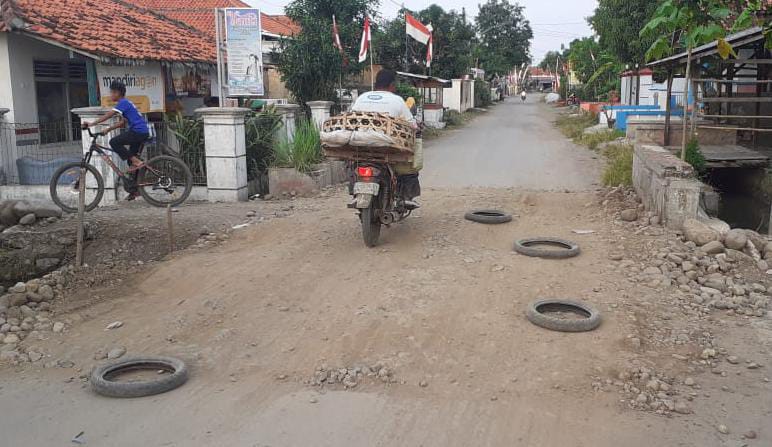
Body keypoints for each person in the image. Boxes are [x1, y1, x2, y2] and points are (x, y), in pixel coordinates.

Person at [351, 69, 421, 209]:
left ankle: (353, 190)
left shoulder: (362, 97)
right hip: (387, 146)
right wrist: (417, 127)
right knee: (408, 161)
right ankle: (406, 196)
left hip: (361, 145)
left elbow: (352, 118)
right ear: (392, 85)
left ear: (376, 83)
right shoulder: (397, 100)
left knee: (352, 165)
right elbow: (412, 125)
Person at [82, 81, 150, 200]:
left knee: (114, 142)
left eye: (112, 93)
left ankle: (137, 162)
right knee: (131, 161)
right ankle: (136, 190)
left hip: (138, 132)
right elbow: (123, 122)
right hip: (141, 131)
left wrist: (92, 123)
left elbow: (109, 115)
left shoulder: (123, 103)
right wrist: (108, 129)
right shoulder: (126, 103)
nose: (110, 95)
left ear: (117, 93)